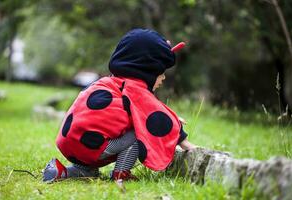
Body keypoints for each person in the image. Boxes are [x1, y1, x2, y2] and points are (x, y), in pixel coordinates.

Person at [42, 28, 196, 183]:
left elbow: (150, 108)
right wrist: (184, 142)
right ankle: (121, 174)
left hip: (73, 143)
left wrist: (171, 117)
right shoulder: (134, 89)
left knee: (94, 159)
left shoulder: (111, 83)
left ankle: (65, 171)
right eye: (160, 72)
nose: (163, 78)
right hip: (92, 146)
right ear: (146, 70)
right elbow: (155, 118)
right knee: (140, 132)